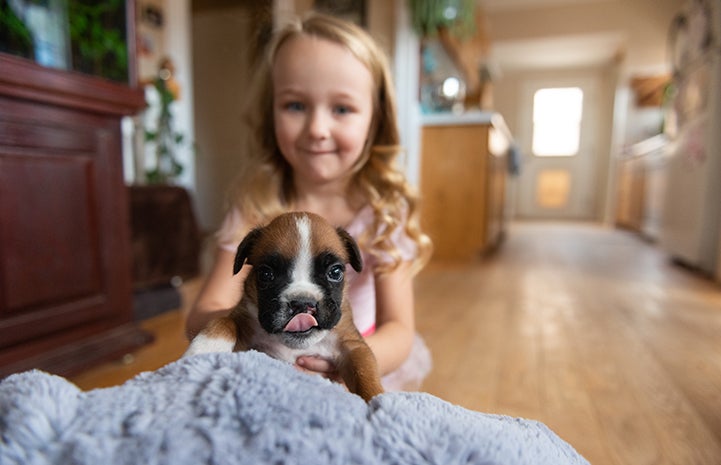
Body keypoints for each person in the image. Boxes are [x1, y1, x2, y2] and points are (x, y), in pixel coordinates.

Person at [185, 12, 433, 390]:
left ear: (375, 119)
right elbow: (199, 315)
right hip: (263, 367)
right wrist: (237, 330)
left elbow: (399, 329)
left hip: (347, 364)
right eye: (296, 105)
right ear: (270, 115)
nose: (317, 129)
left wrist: (343, 360)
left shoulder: (383, 213)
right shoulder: (254, 204)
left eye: (342, 108)